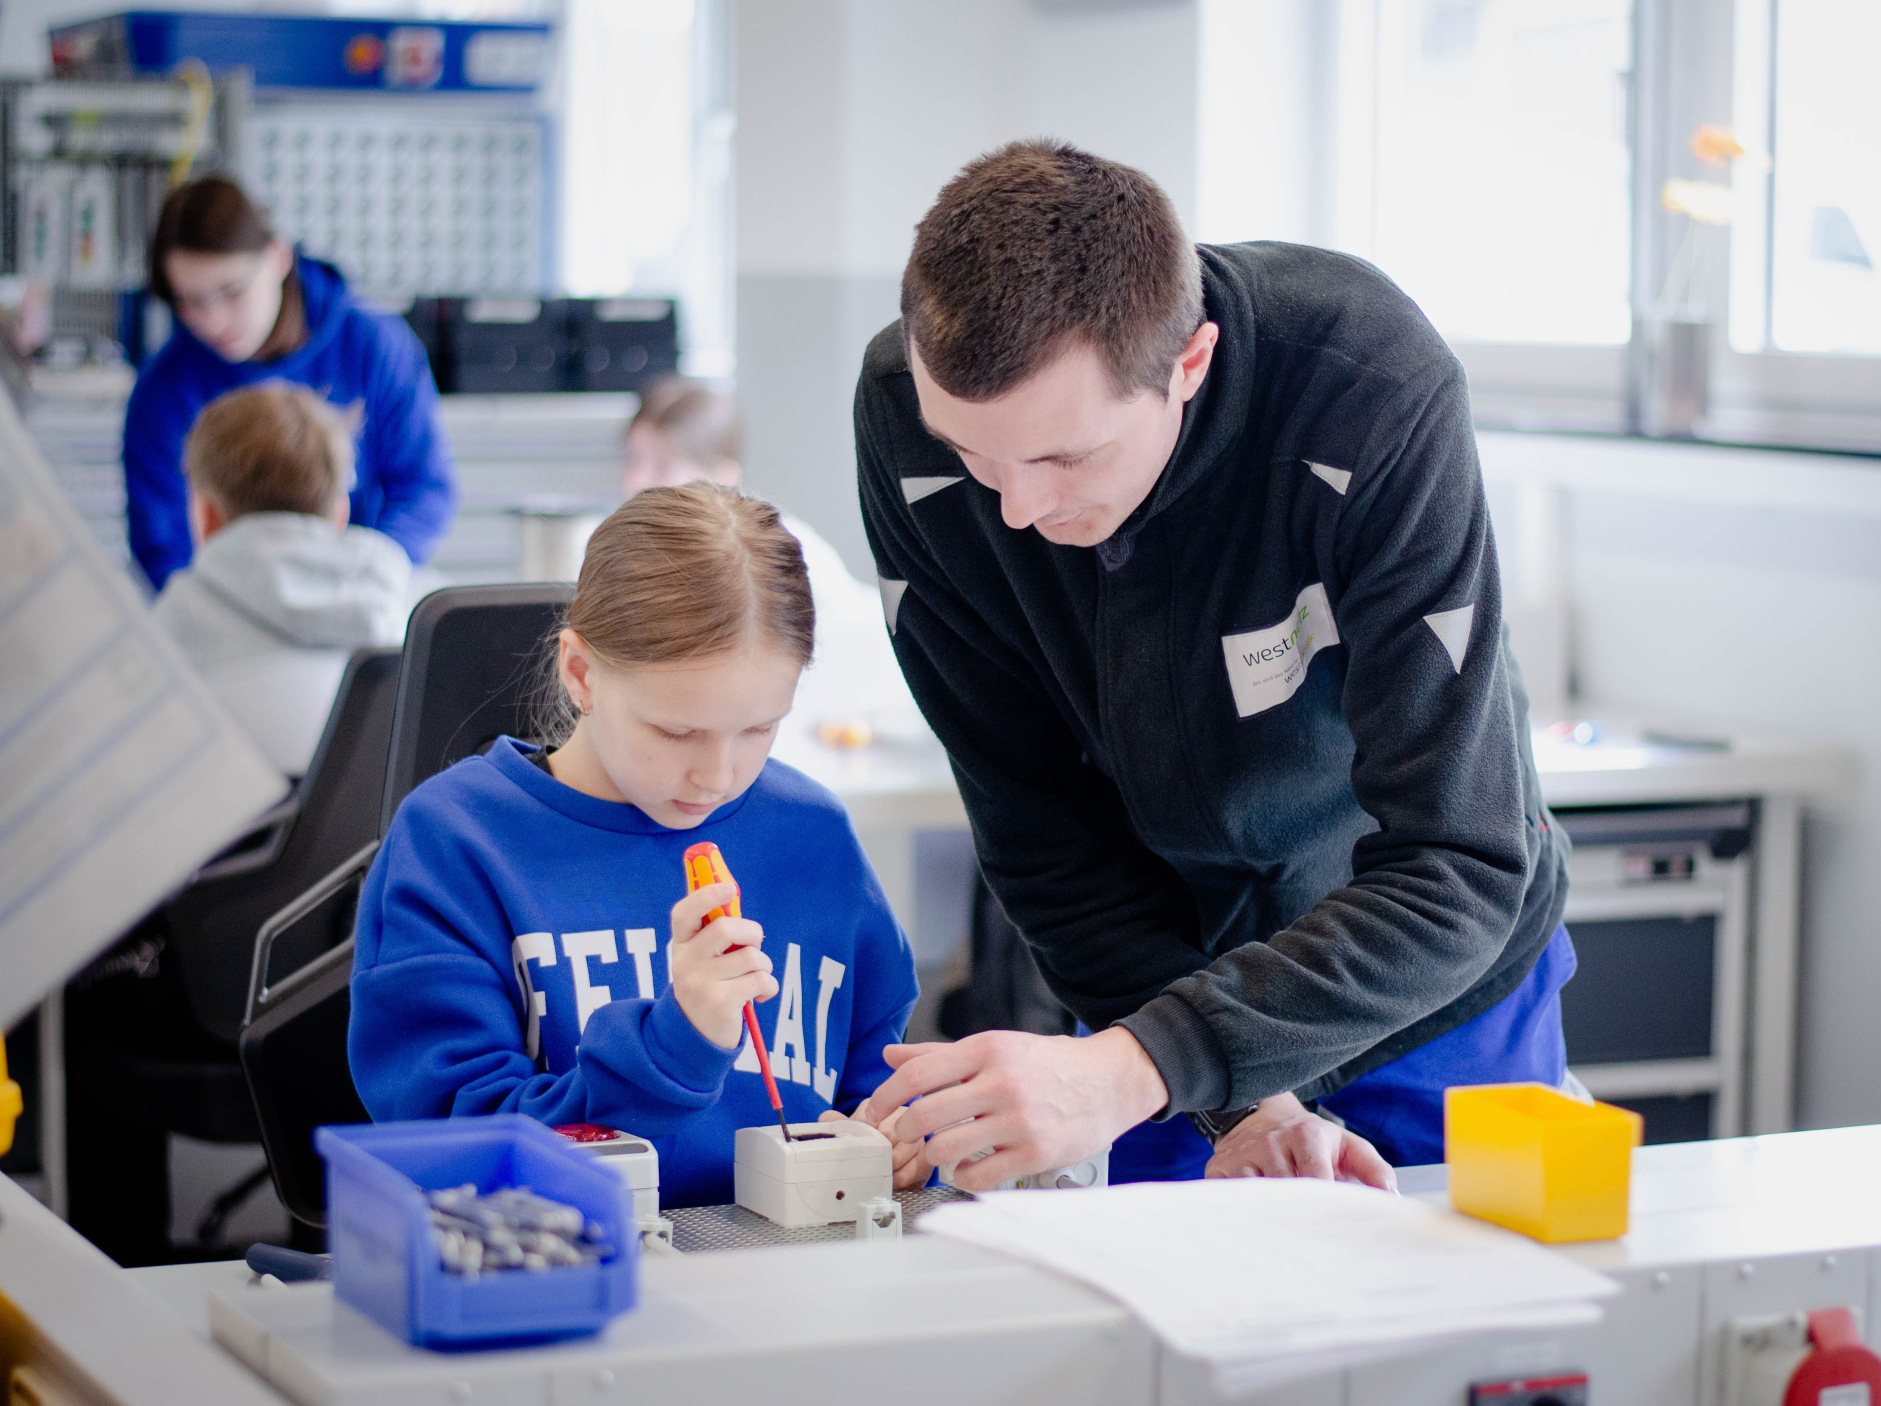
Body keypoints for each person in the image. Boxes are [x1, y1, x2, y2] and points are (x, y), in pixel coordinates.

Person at [858, 141, 1574, 1189]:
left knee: (1458, 1335)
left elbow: (1459, 860)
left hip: (1427, 985)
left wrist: (1138, 1066)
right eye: (973, 455)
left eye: (1065, 456)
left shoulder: (1365, 386)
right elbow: (1041, 836)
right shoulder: (904, 410)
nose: (1012, 507)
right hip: (1153, 984)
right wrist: (1218, 1085)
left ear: (1186, 364)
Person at [348, 483, 928, 1208]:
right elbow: (451, 1151)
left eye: (758, 729)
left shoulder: (812, 833)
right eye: (675, 732)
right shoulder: (455, 843)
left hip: (797, 1267)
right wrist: (672, 1044)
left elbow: (874, 1078)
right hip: (558, 1271)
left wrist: (899, 1138)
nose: (717, 777)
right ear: (581, 673)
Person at [124, 176, 457, 594]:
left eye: (231, 292)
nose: (212, 320)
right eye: (190, 301)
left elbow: (424, 488)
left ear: (278, 257)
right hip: (227, 619)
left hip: (357, 595)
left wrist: (361, 581)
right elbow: (162, 545)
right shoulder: (164, 390)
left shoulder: (374, 346)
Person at [622, 377, 924, 754]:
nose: (636, 481)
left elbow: (867, 633)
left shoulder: (781, 550)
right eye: (633, 460)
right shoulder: (623, 551)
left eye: (662, 466)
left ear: (722, 476)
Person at [153, 383, 411, 775]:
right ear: (339, 514)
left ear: (206, 517)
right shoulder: (405, 619)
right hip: (373, 837)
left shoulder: (170, 628)